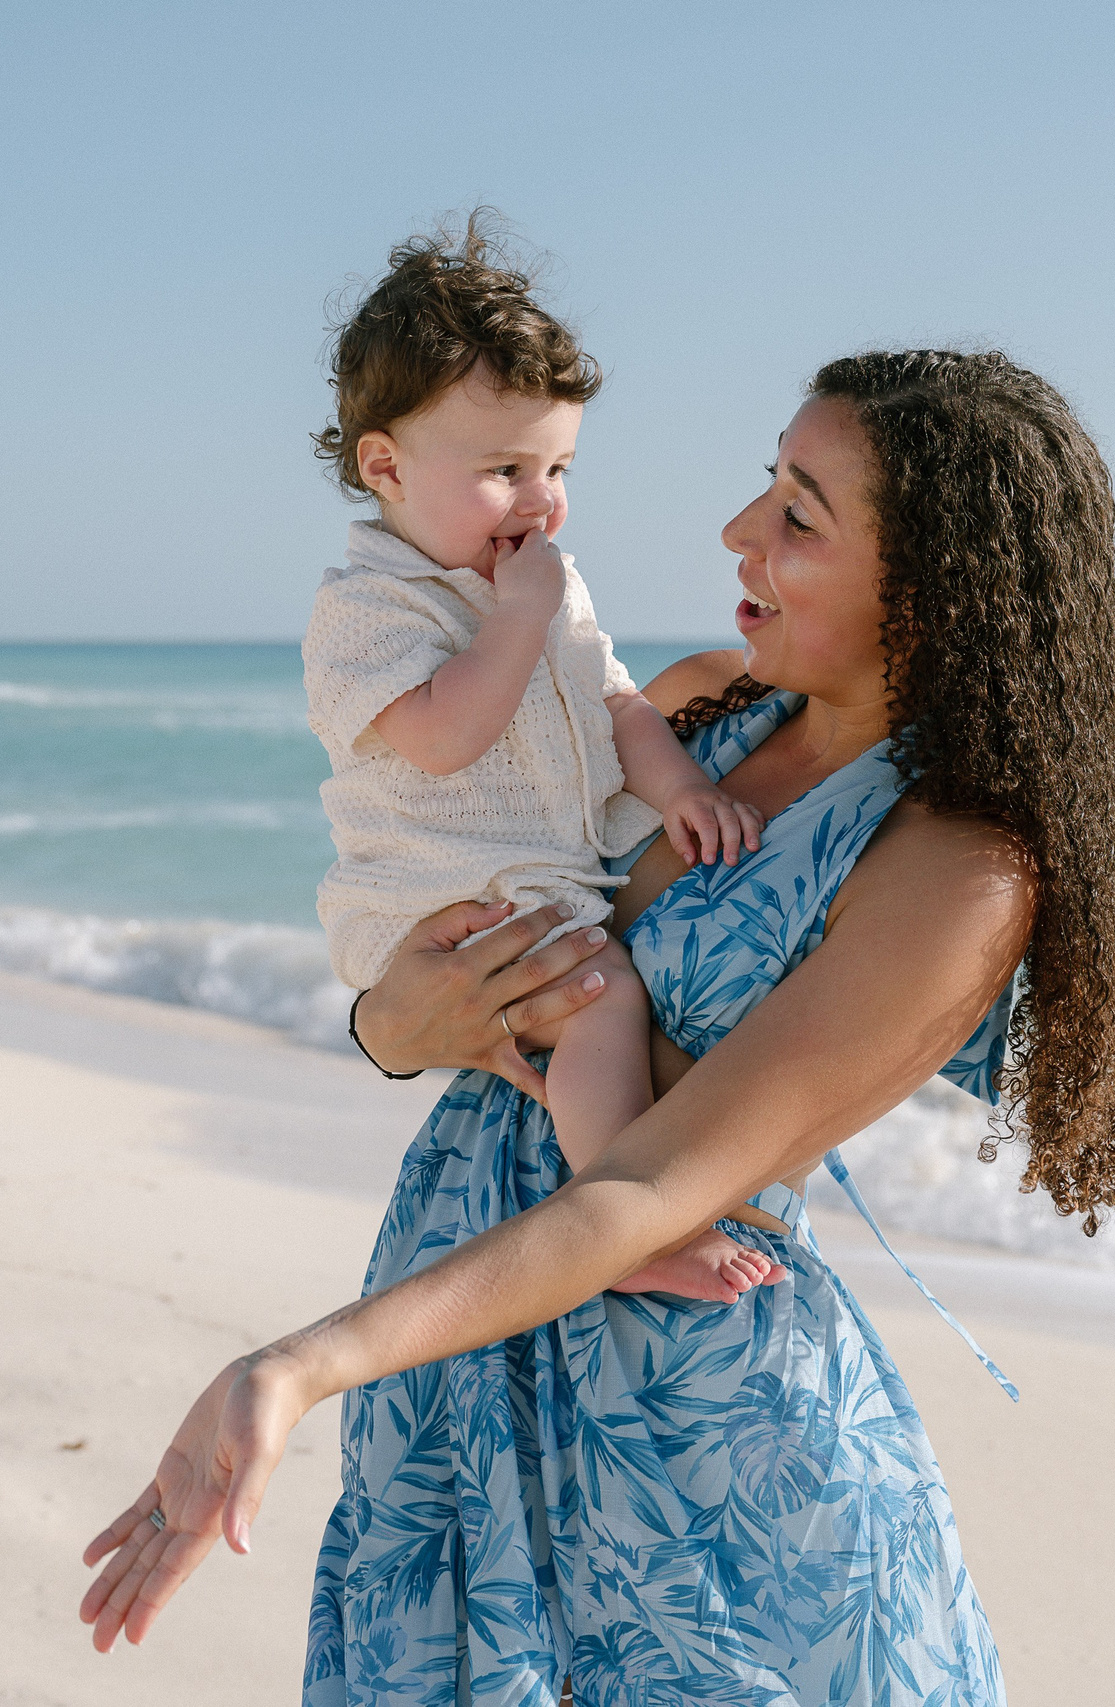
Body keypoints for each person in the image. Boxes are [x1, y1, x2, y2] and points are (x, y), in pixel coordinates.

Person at [81, 349, 1115, 1704]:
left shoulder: (954, 865)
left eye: (799, 511)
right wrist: (398, 1020)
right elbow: (454, 894)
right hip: (461, 1349)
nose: (737, 531)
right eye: (764, 483)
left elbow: (650, 1182)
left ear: (936, 587)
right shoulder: (695, 708)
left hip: (692, 1424)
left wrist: (301, 1360)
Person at [306, 215, 777, 1303]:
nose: (541, 499)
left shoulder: (542, 586)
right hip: (438, 894)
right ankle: (619, 1221)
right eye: (505, 468)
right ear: (385, 464)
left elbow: (617, 704)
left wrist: (682, 789)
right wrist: (517, 617)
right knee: (605, 999)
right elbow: (440, 736)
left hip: (529, 879)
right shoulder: (366, 607)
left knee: (602, 995)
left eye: (557, 466)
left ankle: (614, 1206)